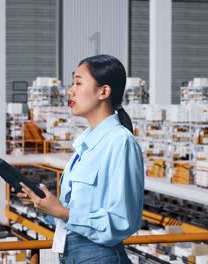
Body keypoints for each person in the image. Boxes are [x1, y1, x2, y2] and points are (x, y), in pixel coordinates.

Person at [16, 54, 144, 264]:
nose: (70, 90)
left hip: (99, 256)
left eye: (78, 82)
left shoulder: (120, 142)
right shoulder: (84, 145)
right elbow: (75, 211)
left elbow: (122, 220)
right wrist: (46, 207)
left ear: (104, 91)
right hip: (70, 253)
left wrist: (64, 213)